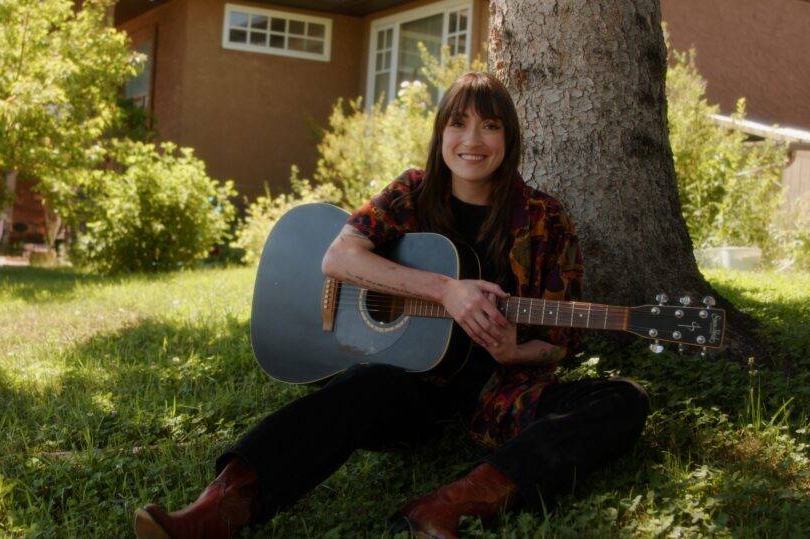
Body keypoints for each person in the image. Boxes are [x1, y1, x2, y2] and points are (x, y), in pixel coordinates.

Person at [133, 72, 650, 539]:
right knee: (360, 386)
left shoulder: (544, 219)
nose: (472, 140)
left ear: (508, 139)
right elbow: (339, 257)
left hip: (497, 395)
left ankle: (446, 508)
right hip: (410, 389)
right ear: (440, 134)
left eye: (490, 126)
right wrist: (445, 290)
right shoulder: (413, 192)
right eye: (458, 124)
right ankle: (213, 512)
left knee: (622, 400)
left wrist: (517, 353)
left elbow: (561, 344)